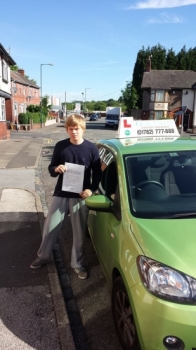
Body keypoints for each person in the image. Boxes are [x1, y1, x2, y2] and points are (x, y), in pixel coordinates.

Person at [30, 114, 102, 279]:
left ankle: (77, 264)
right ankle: (43, 256)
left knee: (78, 234)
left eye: (76, 129)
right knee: (50, 228)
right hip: (61, 193)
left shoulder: (91, 149)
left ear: (82, 128)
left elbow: (97, 173)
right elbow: (51, 168)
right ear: (67, 129)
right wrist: (56, 169)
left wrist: (91, 189)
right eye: (71, 129)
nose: (74, 132)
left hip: (80, 196)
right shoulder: (61, 146)